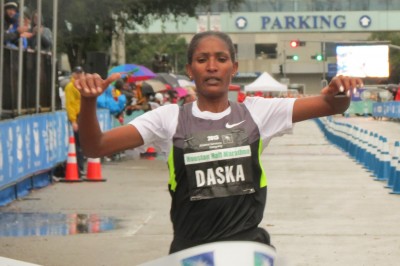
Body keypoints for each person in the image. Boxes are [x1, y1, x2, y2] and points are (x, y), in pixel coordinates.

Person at [74, 31, 363, 254]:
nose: (212, 67)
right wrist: (88, 102)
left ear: (233, 67)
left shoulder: (257, 112)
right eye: (202, 60)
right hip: (192, 252)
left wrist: (340, 89)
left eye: (221, 59)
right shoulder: (168, 118)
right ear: (190, 69)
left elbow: (332, 105)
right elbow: (96, 146)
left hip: (247, 251)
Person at [64, 66, 86, 178]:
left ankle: (81, 168)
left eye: (80, 73)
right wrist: (73, 121)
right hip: (77, 117)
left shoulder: (83, 86)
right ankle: (79, 169)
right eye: (77, 73)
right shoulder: (70, 87)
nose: (78, 75)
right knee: (78, 145)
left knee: (82, 144)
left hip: (83, 116)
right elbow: (70, 104)